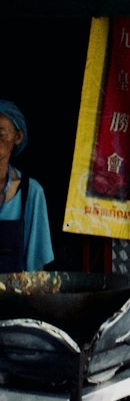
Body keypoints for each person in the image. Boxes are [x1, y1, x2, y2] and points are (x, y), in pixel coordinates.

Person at [0, 100, 54, 273]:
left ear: (18, 137)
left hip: (13, 296)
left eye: (0, 133)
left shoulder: (31, 192)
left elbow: (36, 267)